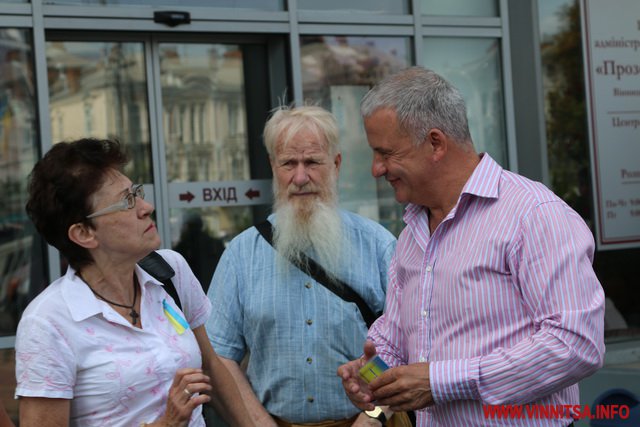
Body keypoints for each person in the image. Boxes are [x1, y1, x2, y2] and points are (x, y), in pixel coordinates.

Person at [337, 67, 605, 426]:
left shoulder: (534, 215)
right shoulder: (412, 233)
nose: (376, 168)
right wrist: (372, 382)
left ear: (435, 143)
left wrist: (440, 381)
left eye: (385, 153)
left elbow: (576, 345)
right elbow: (396, 341)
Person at [15, 138, 253, 427]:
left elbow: (212, 366)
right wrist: (165, 423)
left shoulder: (169, 270)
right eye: (127, 201)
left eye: (137, 192)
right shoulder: (48, 323)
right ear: (84, 233)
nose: (146, 207)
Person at [205, 105, 397, 427]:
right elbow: (219, 356)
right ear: (273, 166)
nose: (300, 177)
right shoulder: (241, 254)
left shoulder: (378, 245)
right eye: (288, 164)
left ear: (336, 164)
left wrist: (372, 416)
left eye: (312, 162)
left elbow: (407, 346)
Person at [173, 212, 225, 294]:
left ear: (187, 227)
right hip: (214, 290)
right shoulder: (214, 243)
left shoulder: (184, 246)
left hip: (196, 292)